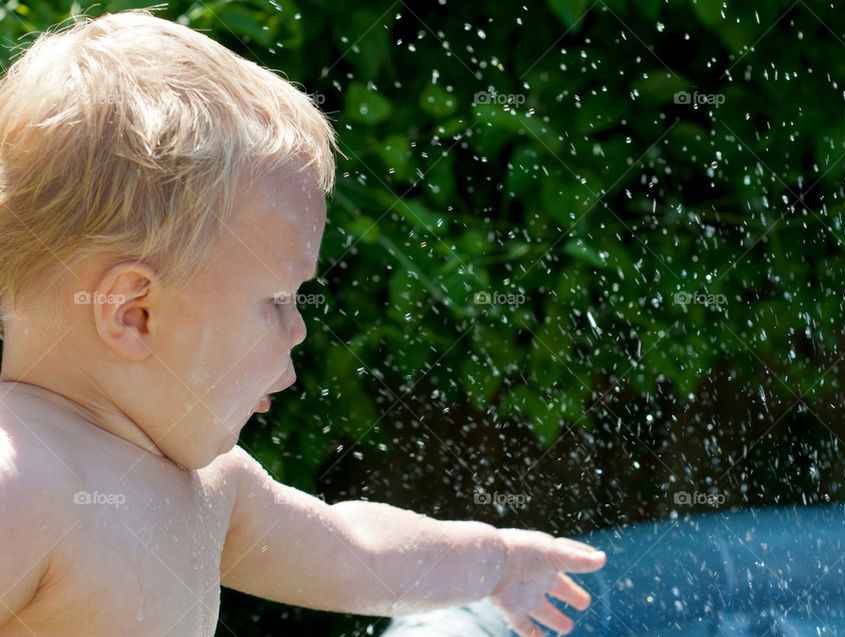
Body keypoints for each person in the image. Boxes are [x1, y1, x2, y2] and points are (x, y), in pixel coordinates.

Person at [0, 10, 605, 637]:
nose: (300, 331)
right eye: (278, 299)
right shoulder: (24, 486)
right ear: (133, 312)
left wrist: (496, 562)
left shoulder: (209, 486)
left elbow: (356, 553)